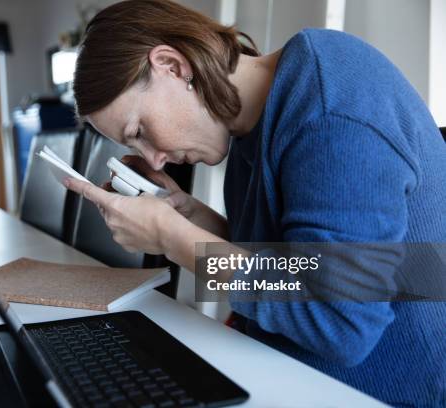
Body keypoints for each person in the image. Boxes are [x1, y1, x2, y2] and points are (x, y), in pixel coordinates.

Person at [64, 0, 446, 406]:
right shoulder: (254, 120)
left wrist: (174, 239)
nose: (154, 158)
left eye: (139, 129)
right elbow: (295, 264)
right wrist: (189, 216)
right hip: (292, 374)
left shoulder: (329, 110)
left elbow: (342, 320)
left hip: (381, 391)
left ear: (173, 66)